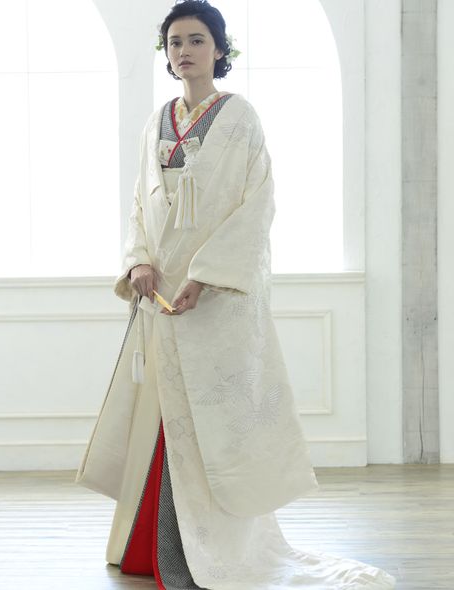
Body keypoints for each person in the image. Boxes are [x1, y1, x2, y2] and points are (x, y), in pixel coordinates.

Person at [75, 1, 396, 587]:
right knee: (162, 417)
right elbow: (140, 203)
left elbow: (257, 205)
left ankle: (206, 553)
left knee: (214, 427)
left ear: (220, 49)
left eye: (197, 40)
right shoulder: (157, 121)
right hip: (162, 296)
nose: (184, 51)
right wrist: (139, 260)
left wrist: (206, 275)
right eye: (175, 42)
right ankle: (152, 549)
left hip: (214, 300)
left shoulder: (240, 117)